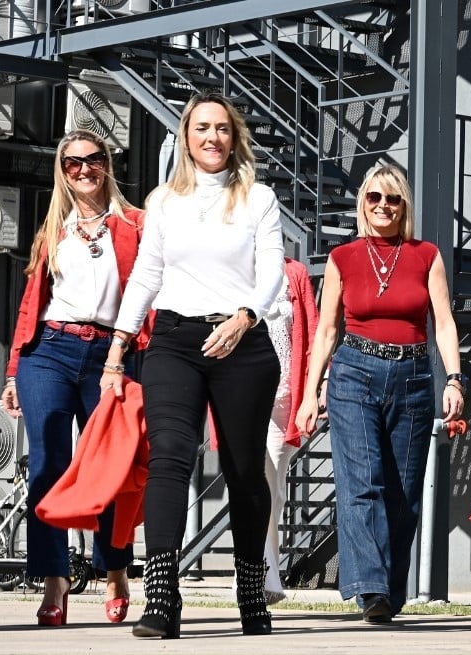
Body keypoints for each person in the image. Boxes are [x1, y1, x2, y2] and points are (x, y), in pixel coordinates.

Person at [103, 91, 285, 639]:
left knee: (244, 470)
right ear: (185, 136)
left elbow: (272, 268)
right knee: (170, 459)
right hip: (176, 340)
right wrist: (118, 345)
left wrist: (246, 316)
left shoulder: (259, 198)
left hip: (242, 342)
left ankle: (252, 591)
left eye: (222, 129)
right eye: (201, 127)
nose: (212, 137)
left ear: (235, 137)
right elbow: (147, 276)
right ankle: (161, 597)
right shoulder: (162, 201)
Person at [294, 163, 464, 624]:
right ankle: (371, 589)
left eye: (392, 199)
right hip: (354, 374)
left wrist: (454, 379)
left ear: (404, 205)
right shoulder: (343, 257)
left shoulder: (425, 254)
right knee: (363, 482)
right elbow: (326, 331)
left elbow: (443, 322)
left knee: (404, 493)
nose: (383, 206)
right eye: (374, 197)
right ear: (362, 203)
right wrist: (311, 394)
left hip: (412, 376)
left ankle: (389, 589)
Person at [0, 129, 148, 627]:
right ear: (61, 172)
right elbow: (31, 306)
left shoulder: (134, 225)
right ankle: (54, 578)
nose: (83, 169)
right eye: (71, 164)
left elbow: (148, 293)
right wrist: (14, 369)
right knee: (47, 460)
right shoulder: (53, 229)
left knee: (108, 467)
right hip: (49, 350)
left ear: (108, 163)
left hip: (111, 352)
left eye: (93, 159)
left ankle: (114, 569)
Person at [251, 257, 318, 605]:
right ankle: (256, 576)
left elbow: (314, 331)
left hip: (283, 399)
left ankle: (265, 571)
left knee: (274, 491)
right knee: (251, 485)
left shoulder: (294, 273)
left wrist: (314, 389)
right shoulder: (231, 267)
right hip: (243, 395)